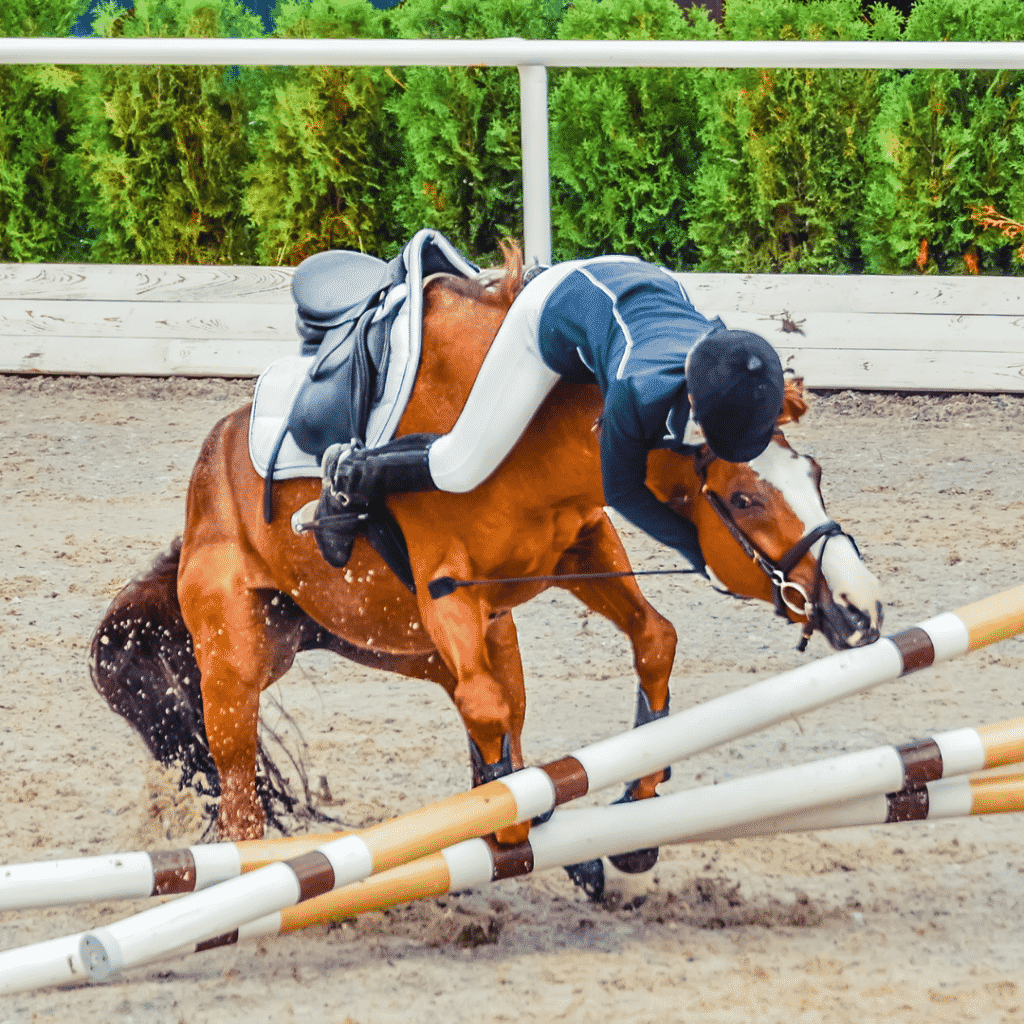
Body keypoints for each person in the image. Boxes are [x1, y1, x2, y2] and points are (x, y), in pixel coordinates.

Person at [318, 254, 785, 575]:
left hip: (640, 280)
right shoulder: (635, 391)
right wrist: (696, 549)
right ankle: (352, 473)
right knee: (460, 466)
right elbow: (622, 490)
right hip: (552, 308)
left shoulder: (730, 355)